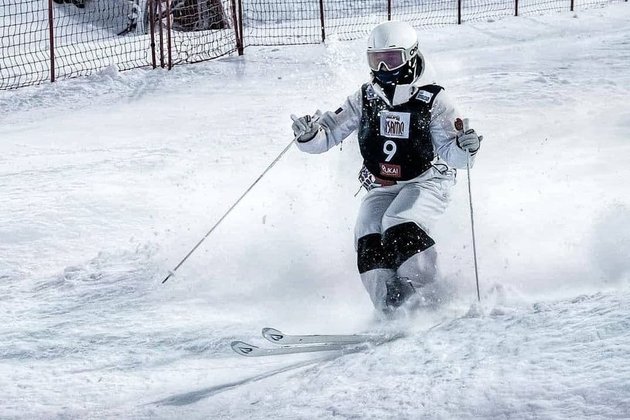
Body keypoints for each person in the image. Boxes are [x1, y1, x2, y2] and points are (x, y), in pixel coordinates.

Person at [291, 21, 482, 314]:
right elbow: (328, 133)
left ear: (411, 55)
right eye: (375, 59)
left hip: (427, 179)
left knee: (398, 223)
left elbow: (452, 153)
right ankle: (390, 307)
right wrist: (308, 134)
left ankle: (432, 298)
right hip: (385, 184)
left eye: (391, 59)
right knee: (367, 232)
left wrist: (466, 147)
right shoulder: (365, 97)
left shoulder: (432, 98)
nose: (382, 67)